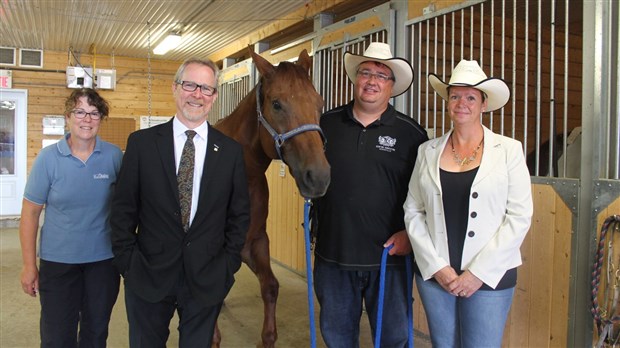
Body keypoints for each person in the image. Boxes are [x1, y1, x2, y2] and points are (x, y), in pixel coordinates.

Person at [110, 58, 250, 348]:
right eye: (190, 85)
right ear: (175, 88)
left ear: (213, 97)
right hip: (148, 275)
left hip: (207, 277)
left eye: (206, 89)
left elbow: (239, 215)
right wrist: (128, 263)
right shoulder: (142, 144)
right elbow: (123, 210)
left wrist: (228, 265)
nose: (197, 94)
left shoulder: (230, 152)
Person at [403, 59, 533, 347]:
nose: (462, 103)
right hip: (437, 276)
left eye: (471, 97)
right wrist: (437, 267)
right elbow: (413, 211)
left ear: (483, 104)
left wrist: (477, 274)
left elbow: (520, 216)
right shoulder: (427, 151)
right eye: (455, 95)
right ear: (448, 101)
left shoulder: (509, 150)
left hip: (491, 277)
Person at [313, 42, 429, 347]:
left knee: (392, 339)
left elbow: (425, 196)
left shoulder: (412, 134)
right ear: (356, 78)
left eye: (381, 75)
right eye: (366, 72)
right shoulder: (325, 125)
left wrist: (408, 233)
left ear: (391, 86)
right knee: (337, 338)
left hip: (389, 259)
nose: (372, 80)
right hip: (333, 255)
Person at [19, 88, 123, 347]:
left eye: (94, 113)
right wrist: (29, 265)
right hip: (58, 263)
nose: (86, 119)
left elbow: (129, 206)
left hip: (103, 263)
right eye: (80, 111)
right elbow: (30, 214)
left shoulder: (114, 156)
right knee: (57, 336)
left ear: (101, 118)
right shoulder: (48, 159)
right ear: (68, 116)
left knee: (96, 333)